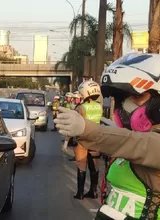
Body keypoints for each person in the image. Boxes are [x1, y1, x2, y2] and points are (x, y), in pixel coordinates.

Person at [54, 53, 160, 219]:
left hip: (92, 138)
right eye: (123, 98)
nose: (126, 105)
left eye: (137, 96)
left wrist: (85, 130)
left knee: (83, 165)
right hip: (96, 142)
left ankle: (82, 191)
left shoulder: (150, 144)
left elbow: (134, 143)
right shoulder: (127, 141)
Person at [73, 80, 103, 200]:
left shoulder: (81, 108)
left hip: (83, 139)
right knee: (94, 166)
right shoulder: (99, 107)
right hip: (96, 138)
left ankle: (80, 193)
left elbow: (75, 124)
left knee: (81, 165)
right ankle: (94, 191)